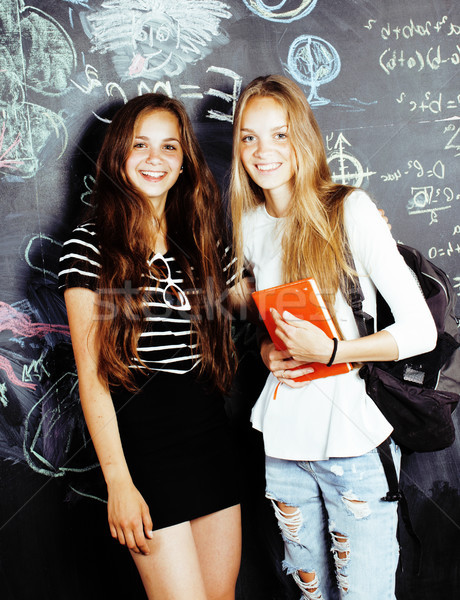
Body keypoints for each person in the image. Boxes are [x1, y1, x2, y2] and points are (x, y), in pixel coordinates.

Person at [229, 74, 437, 600]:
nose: (263, 150)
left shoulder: (349, 208)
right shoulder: (250, 225)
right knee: (310, 596)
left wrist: (337, 351)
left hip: (353, 445)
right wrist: (267, 350)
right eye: (249, 137)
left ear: (303, 137)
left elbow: (420, 331)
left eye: (279, 134)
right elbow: (268, 323)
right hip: (284, 445)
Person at [59, 93, 242, 600]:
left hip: (207, 433)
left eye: (169, 147)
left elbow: (257, 299)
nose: (154, 158)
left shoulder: (202, 239)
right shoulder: (89, 244)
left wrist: (343, 233)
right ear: (118, 155)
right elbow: (92, 378)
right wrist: (119, 483)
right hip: (143, 445)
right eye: (140, 145)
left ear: (185, 161)